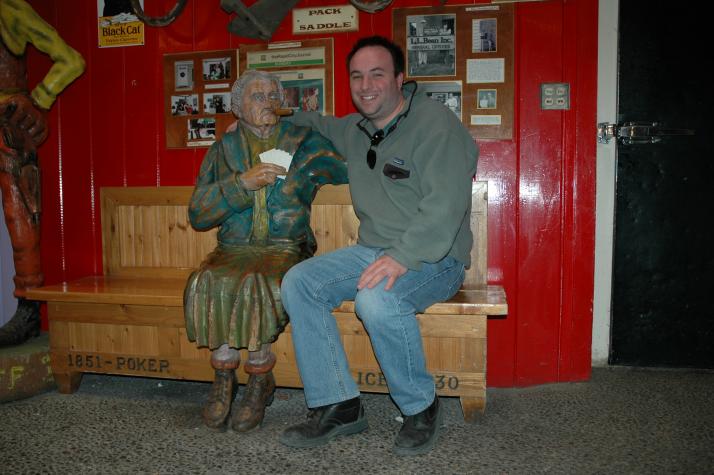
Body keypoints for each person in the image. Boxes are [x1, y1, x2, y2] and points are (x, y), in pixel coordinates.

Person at [279, 36, 478, 455]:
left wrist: (402, 257)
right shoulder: (355, 128)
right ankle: (338, 404)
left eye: (377, 74)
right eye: (357, 76)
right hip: (375, 250)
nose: (366, 84)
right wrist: (260, 119)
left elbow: (445, 207)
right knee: (299, 281)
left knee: (377, 301)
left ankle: (420, 407)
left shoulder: (435, 124)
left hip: (435, 256)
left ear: (399, 80)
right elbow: (311, 122)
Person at [184, 69, 347, 432]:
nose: (268, 103)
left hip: (286, 248)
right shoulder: (222, 150)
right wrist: (241, 183)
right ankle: (224, 376)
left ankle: (259, 379)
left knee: (258, 282)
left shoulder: (303, 141)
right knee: (209, 279)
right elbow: (197, 214)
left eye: (273, 96)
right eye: (257, 97)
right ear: (238, 108)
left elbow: (348, 167)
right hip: (234, 248)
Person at [0, 0, 85, 347]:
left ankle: (29, 305)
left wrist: (38, 99)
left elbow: (71, 60)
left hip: (8, 123)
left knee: (20, 211)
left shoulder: (10, 10)